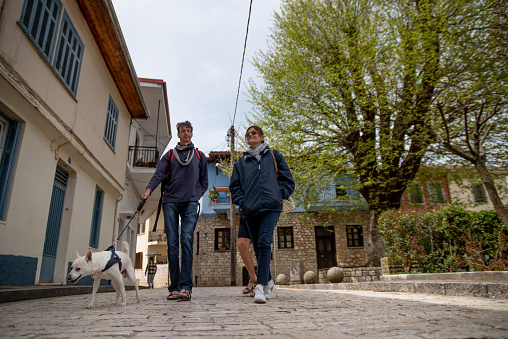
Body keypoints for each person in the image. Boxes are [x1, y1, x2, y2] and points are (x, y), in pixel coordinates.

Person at [140, 121, 208, 301]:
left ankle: (186, 287)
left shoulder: (200, 156)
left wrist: (195, 195)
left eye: (188, 130)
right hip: (170, 202)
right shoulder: (169, 155)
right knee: (172, 244)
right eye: (182, 131)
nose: (186, 133)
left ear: (192, 133)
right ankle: (174, 287)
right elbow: (158, 175)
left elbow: (204, 182)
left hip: (190, 204)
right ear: (178, 135)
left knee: (186, 239)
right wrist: (148, 190)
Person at [229, 125, 295, 303]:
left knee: (264, 241)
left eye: (254, 133)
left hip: (271, 208)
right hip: (250, 209)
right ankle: (270, 282)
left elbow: (288, 180)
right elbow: (234, 187)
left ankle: (260, 286)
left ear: (262, 137)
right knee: (258, 247)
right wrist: (242, 202)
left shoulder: (274, 155)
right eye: (248, 134)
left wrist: (278, 194)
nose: (250, 135)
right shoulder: (241, 163)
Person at [238, 213, 257, 296]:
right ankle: (253, 278)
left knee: (262, 245)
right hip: (245, 209)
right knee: (241, 244)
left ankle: (262, 282)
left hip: (262, 209)